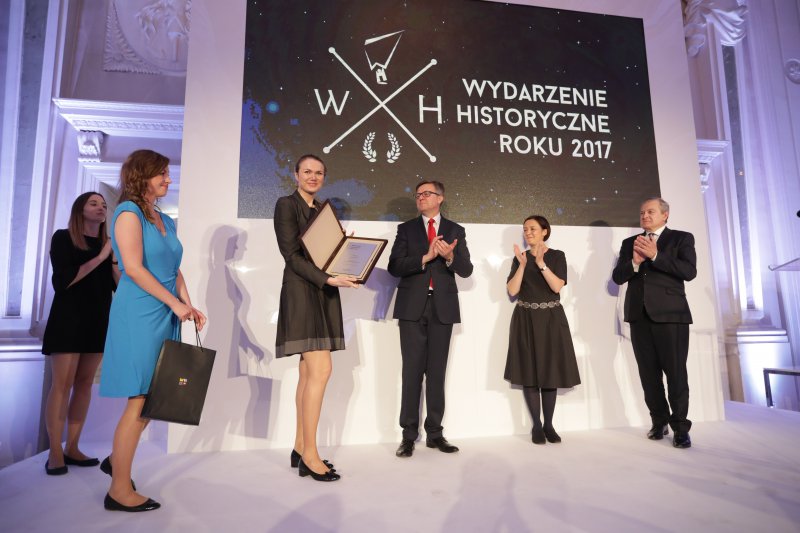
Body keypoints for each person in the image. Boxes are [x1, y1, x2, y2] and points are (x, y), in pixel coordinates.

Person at [99, 149, 206, 511]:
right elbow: (132, 268)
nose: (168, 179)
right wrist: (175, 304)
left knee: (155, 398)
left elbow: (174, 268)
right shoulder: (128, 213)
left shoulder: (164, 219)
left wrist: (187, 304)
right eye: (162, 173)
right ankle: (118, 490)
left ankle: (117, 460)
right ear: (142, 176)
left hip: (165, 311)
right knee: (141, 399)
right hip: (140, 313)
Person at [274, 154, 358, 482]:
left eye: (319, 172)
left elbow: (326, 255)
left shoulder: (323, 211)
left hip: (323, 293)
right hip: (302, 292)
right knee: (321, 371)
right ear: (295, 174)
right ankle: (310, 455)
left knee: (309, 373)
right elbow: (291, 256)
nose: (313, 176)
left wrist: (344, 254)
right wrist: (328, 278)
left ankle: (300, 447)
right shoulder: (286, 205)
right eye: (307, 171)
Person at [388, 180, 473, 458]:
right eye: (418, 194)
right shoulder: (406, 229)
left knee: (436, 373)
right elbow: (394, 266)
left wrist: (449, 257)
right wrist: (426, 257)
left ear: (440, 198)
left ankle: (435, 433)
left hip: (442, 308)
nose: (421, 198)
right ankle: (408, 435)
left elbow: (466, 269)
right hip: (412, 308)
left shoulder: (455, 230)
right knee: (411, 373)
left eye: (427, 193)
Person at [41, 192, 120, 475]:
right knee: (62, 384)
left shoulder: (108, 245)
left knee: (84, 384)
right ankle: (55, 452)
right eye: (93, 203)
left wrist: (113, 259)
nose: (101, 208)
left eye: (103, 204)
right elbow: (63, 281)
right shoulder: (63, 238)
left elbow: (119, 286)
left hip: (97, 320)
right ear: (80, 209)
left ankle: (72, 447)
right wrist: (101, 256)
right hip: (68, 319)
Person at [611, 197, 696, 449]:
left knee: (676, 374)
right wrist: (635, 262)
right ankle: (659, 422)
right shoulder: (630, 243)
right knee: (649, 375)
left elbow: (689, 272)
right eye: (642, 213)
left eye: (650, 212)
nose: (645, 216)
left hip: (671, 316)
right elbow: (618, 277)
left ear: (665, 215)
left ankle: (680, 428)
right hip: (639, 316)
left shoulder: (681, 238)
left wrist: (656, 255)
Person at [505, 215, 581, 444]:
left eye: (533, 228)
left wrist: (540, 263)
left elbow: (557, 286)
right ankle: (536, 426)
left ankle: (549, 425)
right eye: (525, 229)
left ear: (545, 231)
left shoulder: (557, 256)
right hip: (525, 318)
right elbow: (512, 290)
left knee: (550, 372)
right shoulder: (520, 258)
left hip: (550, 319)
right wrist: (523, 265)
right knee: (529, 372)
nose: (528, 232)